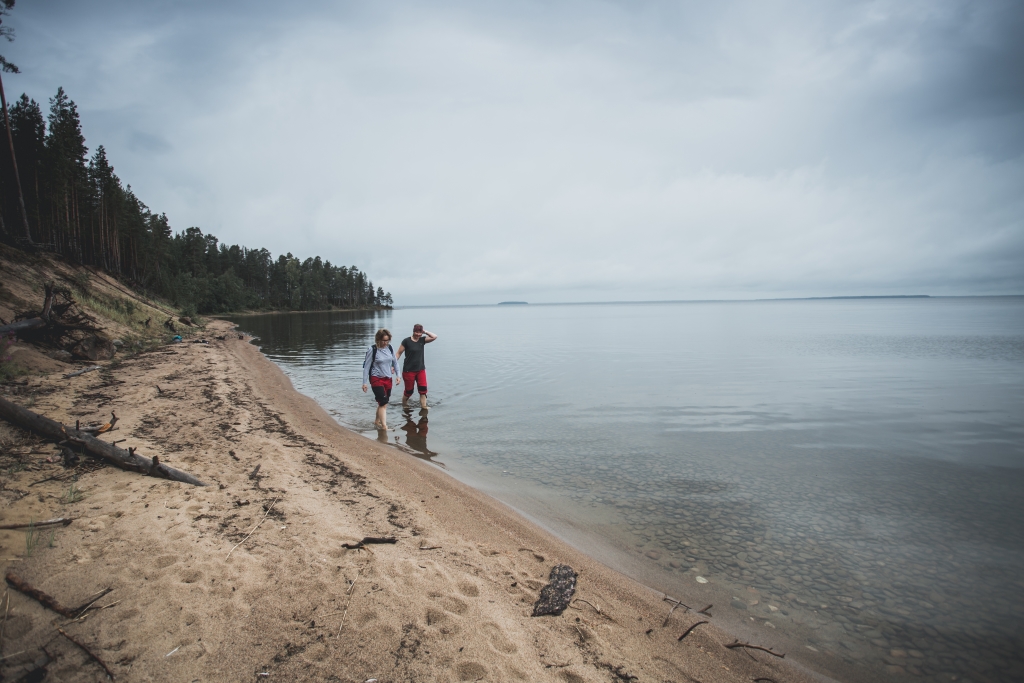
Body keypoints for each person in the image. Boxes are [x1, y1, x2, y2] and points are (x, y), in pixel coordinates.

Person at [362, 328, 401, 430]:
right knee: (383, 401)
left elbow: (395, 363)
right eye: (383, 340)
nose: (385, 343)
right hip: (376, 378)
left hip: (388, 378)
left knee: (383, 403)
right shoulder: (372, 350)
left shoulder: (390, 348)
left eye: (387, 340)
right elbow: (366, 367)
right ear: (378, 339)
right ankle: (384, 426)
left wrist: (398, 376)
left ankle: (376, 421)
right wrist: (364, 383)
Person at [397, 324, 437, 410]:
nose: (418, 334)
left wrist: (425, 331)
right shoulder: (406, 341)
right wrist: (393, 364)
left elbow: (434, 336)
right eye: (416, 332)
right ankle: (404, 404)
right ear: (413, 331)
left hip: (420, 369)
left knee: (423, 389)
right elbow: (398, 353)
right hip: (408, 370)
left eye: (420, 332)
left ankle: (424, 407)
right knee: (409, 391)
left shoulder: (422, 340)